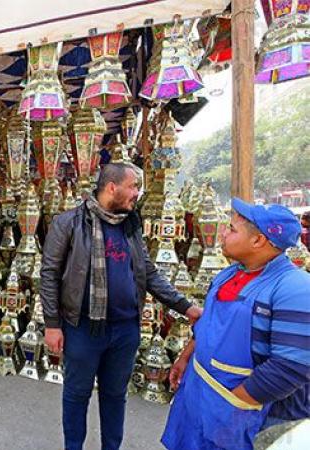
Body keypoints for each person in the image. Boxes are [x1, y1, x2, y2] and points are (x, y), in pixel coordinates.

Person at [40, 163, 202, 450]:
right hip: (82, 329)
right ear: (112, 187)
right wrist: (52, 324)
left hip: (125, 330)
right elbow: (50, 274)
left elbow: (147, 273)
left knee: (115, 396)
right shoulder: (69, 223)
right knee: (77, 394)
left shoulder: (130, 225)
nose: (137, 194)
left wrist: (186, 307)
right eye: (133, 187)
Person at [162, 198, 310, 450]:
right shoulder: (228, 274)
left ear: (258, 240)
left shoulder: (295, 288)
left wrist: (235, 403)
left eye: (231, 229)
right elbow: (208, 323)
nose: (223, 234)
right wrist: (185, 358)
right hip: (202, 395)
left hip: (247, 412)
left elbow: (289, 368)